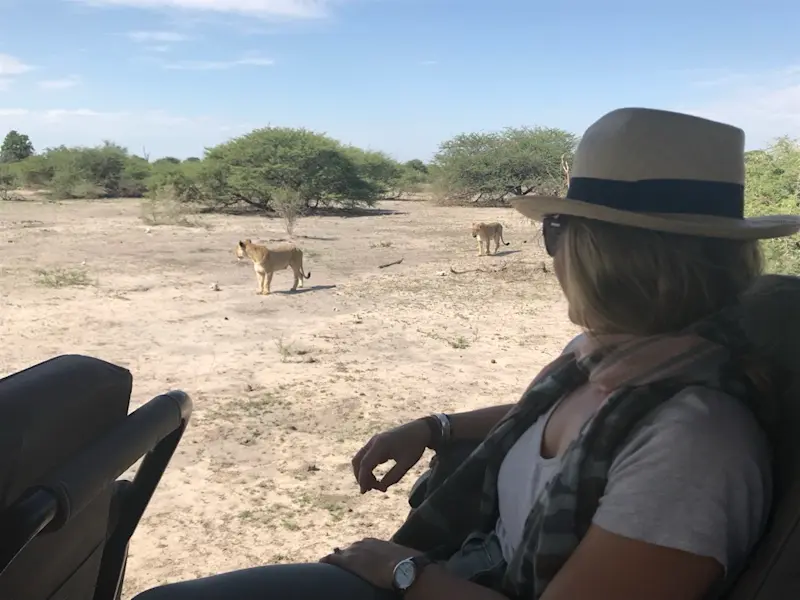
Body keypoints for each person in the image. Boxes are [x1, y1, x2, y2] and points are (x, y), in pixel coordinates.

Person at [133, 107, 800, 600]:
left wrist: (399, 570)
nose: (552, 254)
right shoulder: (611, 362)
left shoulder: (695, 448)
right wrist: (435, 427)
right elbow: (560, 421)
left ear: (599, 254)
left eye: (556, 231)